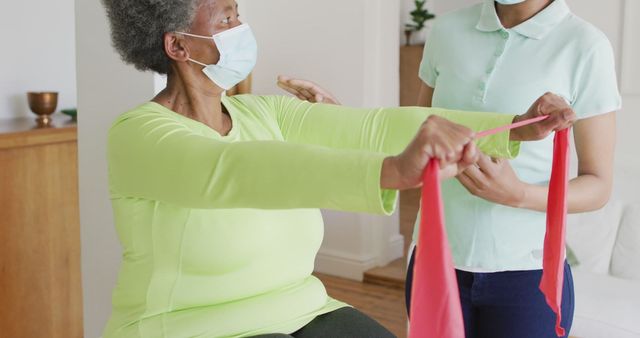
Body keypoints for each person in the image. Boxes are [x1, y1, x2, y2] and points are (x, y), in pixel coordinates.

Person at [100, 0, 575, 337]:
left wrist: (514, 128)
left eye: (240, 14)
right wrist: (389, 171)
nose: (241, 26)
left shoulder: (260, 113)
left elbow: (370, 128)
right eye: (227, 18)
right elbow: (239, 170)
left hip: (301, 307)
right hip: (188, 326)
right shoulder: (138, 134)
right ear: (178, 46)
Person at [280, 1, 620, 337]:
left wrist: (517, 195)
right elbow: (415, 139)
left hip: (528, 275)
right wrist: (337, 117)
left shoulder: (585, 45)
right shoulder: (447, 30)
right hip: (434, 262)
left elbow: (598, 185)